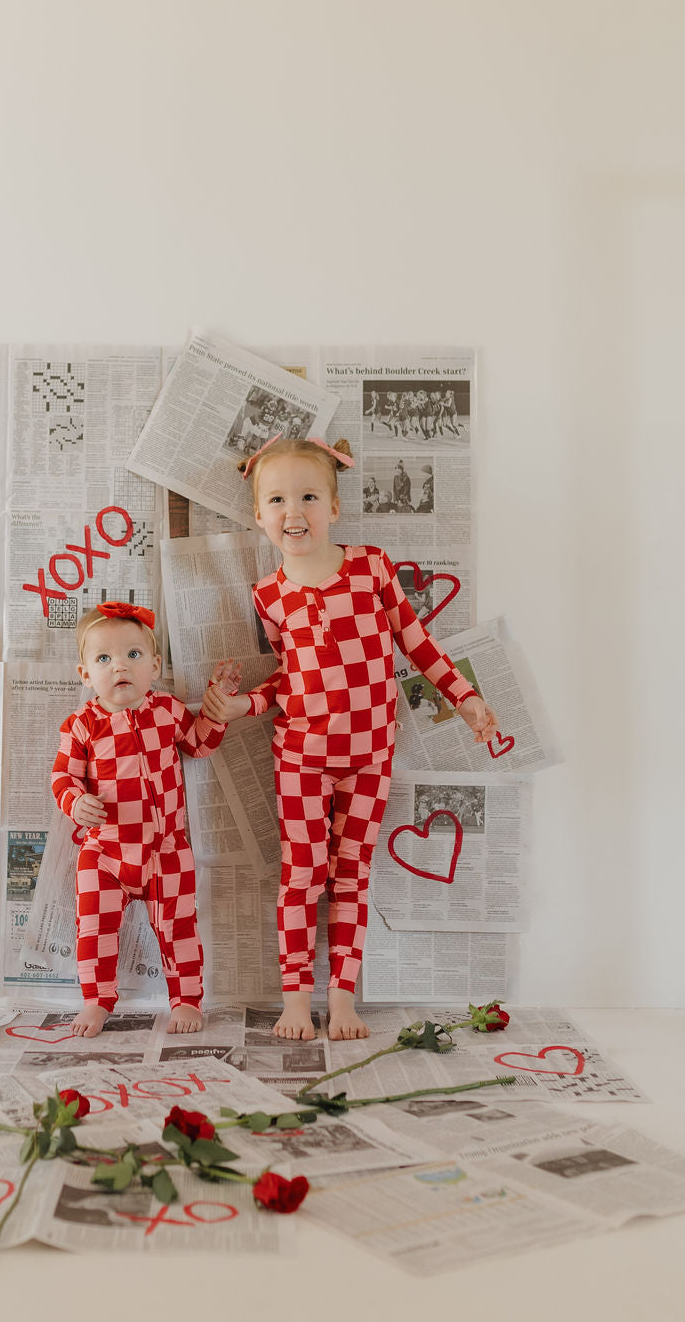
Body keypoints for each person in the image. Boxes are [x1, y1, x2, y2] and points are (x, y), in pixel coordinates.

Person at [201, 436, 498, 1043]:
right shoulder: (269, 595)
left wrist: (464, 697)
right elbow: (287, 679)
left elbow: (416, 643)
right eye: (277, 500)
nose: (294, 512)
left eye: (308, 497)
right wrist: (242, 705)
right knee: (301, 876)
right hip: (301, 760)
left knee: (351, 876)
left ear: (333, 507)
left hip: (369, 759)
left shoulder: (371, 567)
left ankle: (341, 1000)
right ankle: (294, 1000)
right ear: (259, 515)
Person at [51, 601, 239, 1039]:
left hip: (165, 849)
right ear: (85, 675)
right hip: (106, 852)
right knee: (94, 927)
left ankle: (186, 999)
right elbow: (62, 776)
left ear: (154, 667)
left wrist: (218, 706)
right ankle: (97, 999)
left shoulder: (167, 711)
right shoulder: (81, 725)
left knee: (179, 928)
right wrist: (75, 801)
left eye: (132, 655)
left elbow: (200, 744)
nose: (119, 666)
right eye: (104, 659)